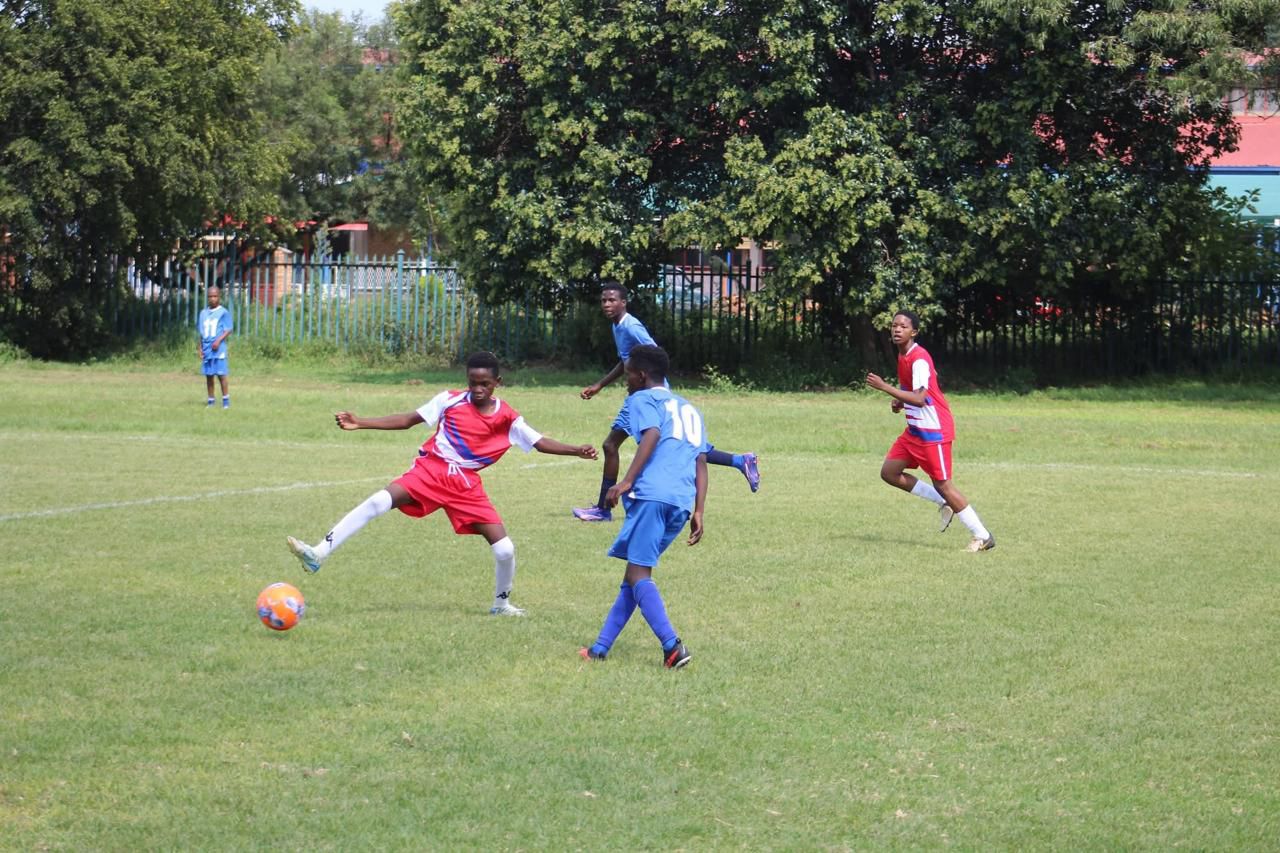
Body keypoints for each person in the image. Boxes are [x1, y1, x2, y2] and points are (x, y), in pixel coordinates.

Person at [286, 351, 599, 615]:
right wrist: (361, 422)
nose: (478, 389)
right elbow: (409, 420)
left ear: (497, 384)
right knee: (378, 501)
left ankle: (501, 604)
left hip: (466, 486)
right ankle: (318, 552)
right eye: (473, 383)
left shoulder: (507, 418)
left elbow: (540, 442)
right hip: (431, 471)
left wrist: (576, 450)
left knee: (504, 549)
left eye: (485, 384)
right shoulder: (448, 400)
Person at [572, 280, 759, 522]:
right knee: (672, 442)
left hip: (648, 396)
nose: (606, 304)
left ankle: (604, 508)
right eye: (603, 301)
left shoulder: (631, 327)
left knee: (622, 445)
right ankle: (739, 460)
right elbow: (627, 360)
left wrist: (648, 388)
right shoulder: (617, 326)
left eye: (611, 300)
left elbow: (652, 356)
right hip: (643, 394)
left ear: (623, 303)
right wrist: (600, 385)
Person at [579, 344, 706, 667]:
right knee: (634, 576)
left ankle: (672, 647)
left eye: (629, 375)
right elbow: (701, 460)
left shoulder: (642, 399)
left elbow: (650, 434)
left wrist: (626, 482)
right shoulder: (689, 408)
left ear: (642, 375)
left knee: (639, 575)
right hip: (679, 501)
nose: (626, 381)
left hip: (652, 496)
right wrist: (700, 509)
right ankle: (599, 649)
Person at [865, 310, 996, 552]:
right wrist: (900, 401)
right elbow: (914, 393)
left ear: (913, 332)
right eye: (894, 326)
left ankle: (983, 535)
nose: (896, 329)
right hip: (915, 431)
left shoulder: (919, 358)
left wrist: (886, 388)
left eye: (903, 326)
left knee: (944, 484)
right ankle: (943, 502)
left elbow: (922, 398)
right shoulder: (903, 356)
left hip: (933, 432)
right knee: (889, 472)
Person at [197, 286, 233, 408]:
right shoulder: (203, 313)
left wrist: (218, 340)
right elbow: (201, 332)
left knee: (221, 375)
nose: (213, 299)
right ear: (207, 297)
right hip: (207, 348)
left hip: (218, 349)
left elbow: (228, 330)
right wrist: (200, 347)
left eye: (215, 296)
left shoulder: (223, 312)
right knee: (209, 376)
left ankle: (226, 402)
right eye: (210, 296)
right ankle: (211, 401)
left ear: (219, 297)